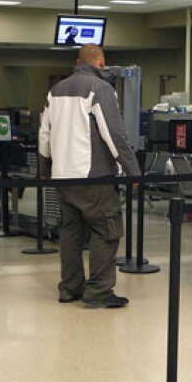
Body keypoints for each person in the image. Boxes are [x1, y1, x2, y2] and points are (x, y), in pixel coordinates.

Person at [38, 44, 140, 308]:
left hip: (63, 177)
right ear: (102, 63)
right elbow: (114, 134)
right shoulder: (101, 89)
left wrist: (45, 167)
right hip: (94, 177)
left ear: (77, 62)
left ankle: (69, 288)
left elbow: (44, 135)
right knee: (106, 231)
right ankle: (99, 291)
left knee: (70, 233)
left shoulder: (55, 91)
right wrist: (133, 171)